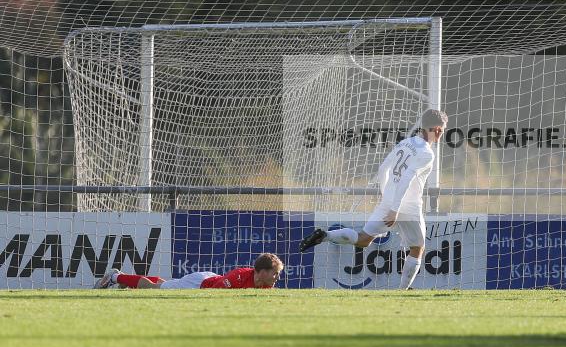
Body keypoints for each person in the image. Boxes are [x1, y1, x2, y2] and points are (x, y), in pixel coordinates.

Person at [299, 109, 448, 290]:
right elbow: (407, 178)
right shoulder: (427, 153)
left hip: (389, 201)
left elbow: (383, 168)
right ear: (438, 129)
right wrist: (395, 209)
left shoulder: (405, 143)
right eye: (442, 129)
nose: (442, 133)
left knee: (363, 239)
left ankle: (325, 236)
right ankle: (402, 291)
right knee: (418, 248)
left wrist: (387, 195)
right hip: (407, 207)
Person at [93, 253, 284, 289]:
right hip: (199, 284)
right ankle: (115, 277)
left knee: (164, 284)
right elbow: (215, 292)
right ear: (262, 271)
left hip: (207, 279)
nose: (277, 277)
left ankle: (124, 282)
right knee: (155, 288)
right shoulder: (239, 276)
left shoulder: (264, 286)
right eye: (274, 273)